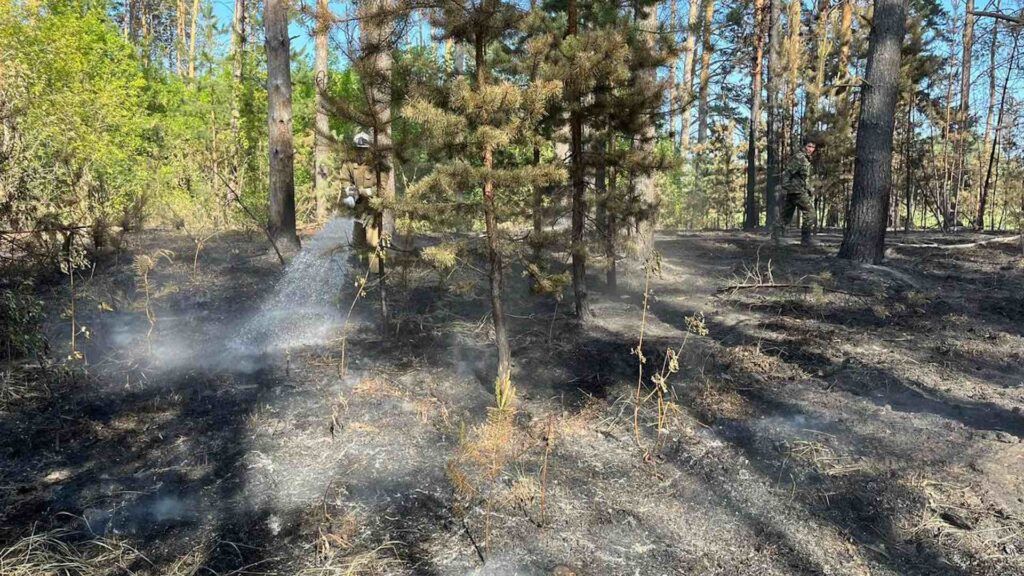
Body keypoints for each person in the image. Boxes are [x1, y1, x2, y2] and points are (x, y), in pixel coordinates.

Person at [333, 131, 382, 272]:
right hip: (358, 209)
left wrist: (362, 191)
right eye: (358, 150)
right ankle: (359, 272)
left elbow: (381, 188)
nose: (360, 153)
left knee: (372, 242)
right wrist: (350, 192)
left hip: (373, 209)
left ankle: (373, 274)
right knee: (357, 242)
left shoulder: (377, 164)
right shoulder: (349, 163)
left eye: (364, 150)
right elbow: (344, 179)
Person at [773, 137, 819, 247]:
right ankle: (806, 238)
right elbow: (788, 173)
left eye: (813, 147)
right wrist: (786, 186)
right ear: (804, 146)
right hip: (796, 191)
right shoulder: (799, 157)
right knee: (810, 212)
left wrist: (808, 189)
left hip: (797, 190)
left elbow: (802, 178)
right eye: (809, 146)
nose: (811, 149)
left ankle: (776, 237)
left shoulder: (806, 159)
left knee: (786, 215)